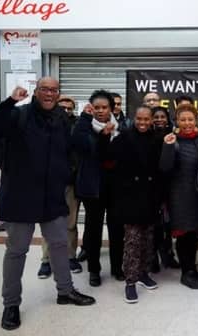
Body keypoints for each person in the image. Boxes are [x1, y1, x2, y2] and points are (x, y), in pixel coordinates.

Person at [0, 78, 95, 331]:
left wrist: (67, 172)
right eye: (45, 89)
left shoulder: (61, 119)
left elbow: (73, 148)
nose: (50, 94)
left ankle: (65, 291)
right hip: (20, 196)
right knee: (16, 250)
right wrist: (9, 101)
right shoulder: (18, 114)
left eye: (54, 90)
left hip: (52, 195)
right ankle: (11, 304)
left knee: (59, 244)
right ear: (36, 91)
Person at [72, 89, 125, 286]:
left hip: (115, 187)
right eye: (96, 107)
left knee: (117, 229)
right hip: (92, 186)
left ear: (112, 108)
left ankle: (118, 267)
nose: (100, 111)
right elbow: (83, 146)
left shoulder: (121, 126)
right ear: (90, 108)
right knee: (93, 230)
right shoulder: (84, 126)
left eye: (104, 107)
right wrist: (87, 121)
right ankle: (94, 270)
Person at [110, 105, 161, 303]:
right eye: (139, 119)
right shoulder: (123, 137)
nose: (142, 123)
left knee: (148, 239)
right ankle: (130, 282)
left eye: (146, 119)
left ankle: (143, 274)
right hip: (130, 197)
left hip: (149, 197)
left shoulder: (157, 139)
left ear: (151, 121)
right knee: (133, 240)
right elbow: (110, 158)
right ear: (134, 118)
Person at [160, 103, 198, 289]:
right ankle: (187, 272)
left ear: (195, 120)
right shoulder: (173, 140)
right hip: (180, 195)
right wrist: (168, 146)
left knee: (195, 232)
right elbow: (165, 167)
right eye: (183, 120)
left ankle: (192, 267)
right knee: (184, 234)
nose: (187, 123)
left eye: (190, 119)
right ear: (177, 121)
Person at [38, 95, 82, 278]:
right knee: (49, 223)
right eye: (62, 107)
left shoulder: (78, 126)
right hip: (49, 184)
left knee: (70, 223)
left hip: (70, 183)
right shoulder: (44, 124)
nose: (65, 110)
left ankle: (71, 257)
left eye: (69, 108)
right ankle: (46, 261)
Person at [150, 106, 180, 271]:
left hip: (170, 186)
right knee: (154, 225)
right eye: (156, 117)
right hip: (153, 187)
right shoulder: (148, 135)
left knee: (168, 224)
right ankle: (152, 257)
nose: (160, 119)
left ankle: (167, 255)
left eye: (163, 116)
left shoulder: (173, 136)